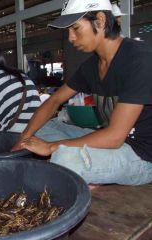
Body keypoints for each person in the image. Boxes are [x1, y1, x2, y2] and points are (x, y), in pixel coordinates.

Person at [14, 0, 152, 186]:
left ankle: (85, 168)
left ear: (100, 21)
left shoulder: (140, 59)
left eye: (76, 28)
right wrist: (23, 139)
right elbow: (54, 101)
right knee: (41, 128)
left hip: (142, 155)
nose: (71, 38)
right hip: (112, 140)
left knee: (65, 160)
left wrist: (51, 147)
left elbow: (115, 136)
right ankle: (90, 170)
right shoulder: (91, 67)